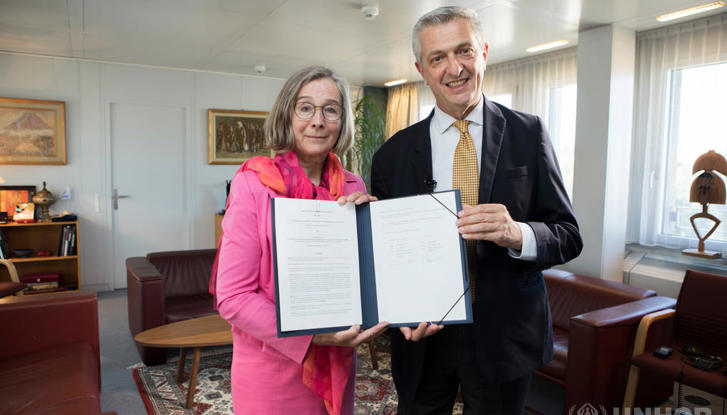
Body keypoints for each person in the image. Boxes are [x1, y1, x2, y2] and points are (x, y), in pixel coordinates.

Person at [370, 6, 583, 414]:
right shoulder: (391, 155)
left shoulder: (529, 133)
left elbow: (569, 235)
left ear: (483, 52)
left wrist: (517, 233)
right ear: (421, 68)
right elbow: (384, 255)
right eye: (438, 58)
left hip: (504, 336)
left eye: (464, 51)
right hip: (423, 337)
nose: (455, 68)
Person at [212, 65, 389, 415]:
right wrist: (312, 337)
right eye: (305, 107)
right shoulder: (253, 185)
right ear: (287, 115)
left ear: (342, 121)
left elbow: (364, 280)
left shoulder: (354, 188)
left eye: (331, 109)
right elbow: (232, 297)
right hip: (272, 371)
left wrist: (377, 231)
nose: (318, 120)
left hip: (338, 361)